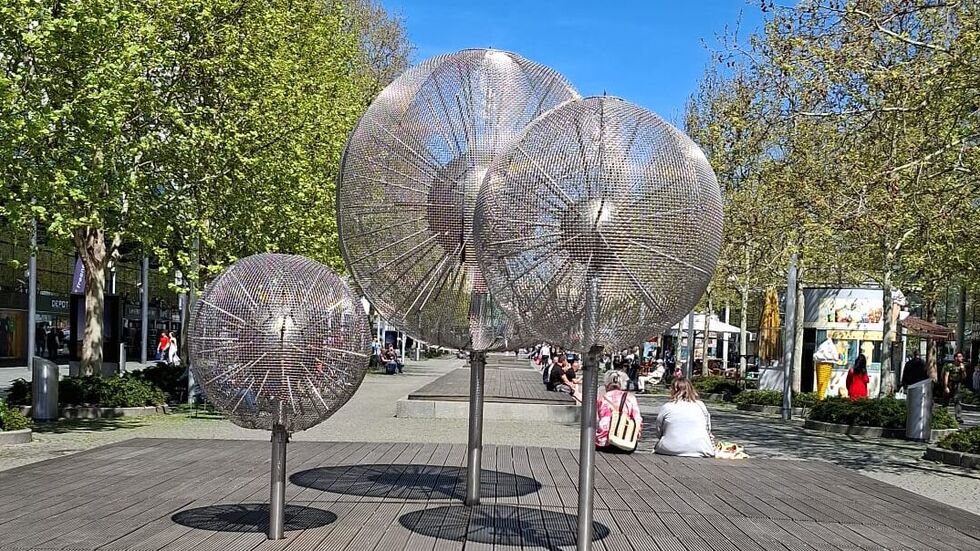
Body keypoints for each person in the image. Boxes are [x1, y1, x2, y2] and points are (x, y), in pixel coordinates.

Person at [654, 378, 715, 457]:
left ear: (673, 390)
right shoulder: (700, 405)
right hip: (701, 449)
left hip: (668, 448)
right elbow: (707, 429)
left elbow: (659, 430)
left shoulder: (667, 407)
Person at [596, 370, 643, 453]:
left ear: (607, 385)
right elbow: (638, 420)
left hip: (604, 443)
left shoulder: (602, 398)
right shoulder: (630, 397)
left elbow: (600, 422)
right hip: (626, 442)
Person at [813, 334, 841, 400]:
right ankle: (821, 398)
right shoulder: (828, 345)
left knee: (823, 384)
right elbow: (834, 356)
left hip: (822, 363)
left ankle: (821, 397)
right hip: (825, 363)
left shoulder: (826, 344)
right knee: (822, 384)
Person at [944, 352, 967, 423]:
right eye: (960, 356)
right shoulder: (950, 365)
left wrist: (963, 370)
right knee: (946, 400)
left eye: (961, 357)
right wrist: (945, 387)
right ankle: (943, 415)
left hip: (958, 384)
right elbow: (946, 376)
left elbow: (964, 377)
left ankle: (958, 417)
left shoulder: (962, 366)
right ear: (955, 358)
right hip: (950, 384)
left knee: (957, 400)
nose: (961, 358)